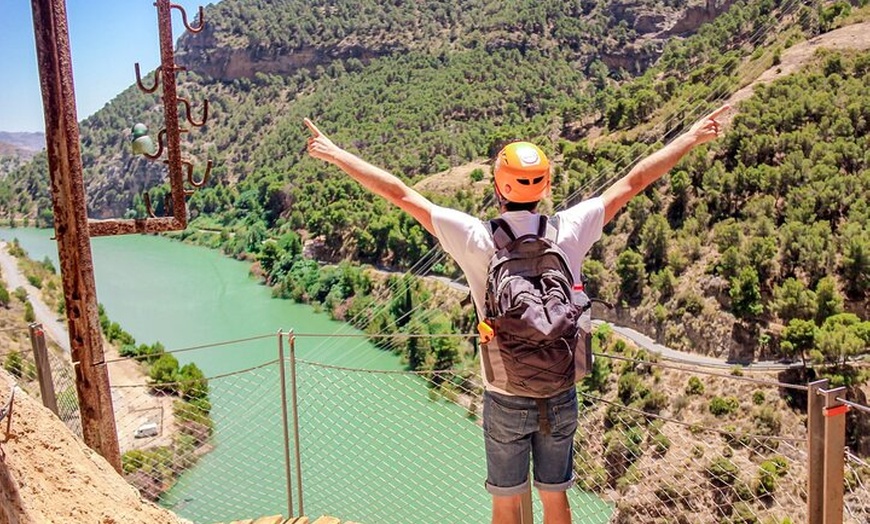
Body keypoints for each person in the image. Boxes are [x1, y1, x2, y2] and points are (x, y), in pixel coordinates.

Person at [304, 105, 729, 524]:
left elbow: (400, 193)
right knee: (556, 497)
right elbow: (633, 181)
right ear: (544, 187)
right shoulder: (569, 230)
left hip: (505, 394)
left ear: (498, 186)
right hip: (560, 391)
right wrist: (691, 136)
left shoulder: (474, 236)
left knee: (507, 502)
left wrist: (337, 153)